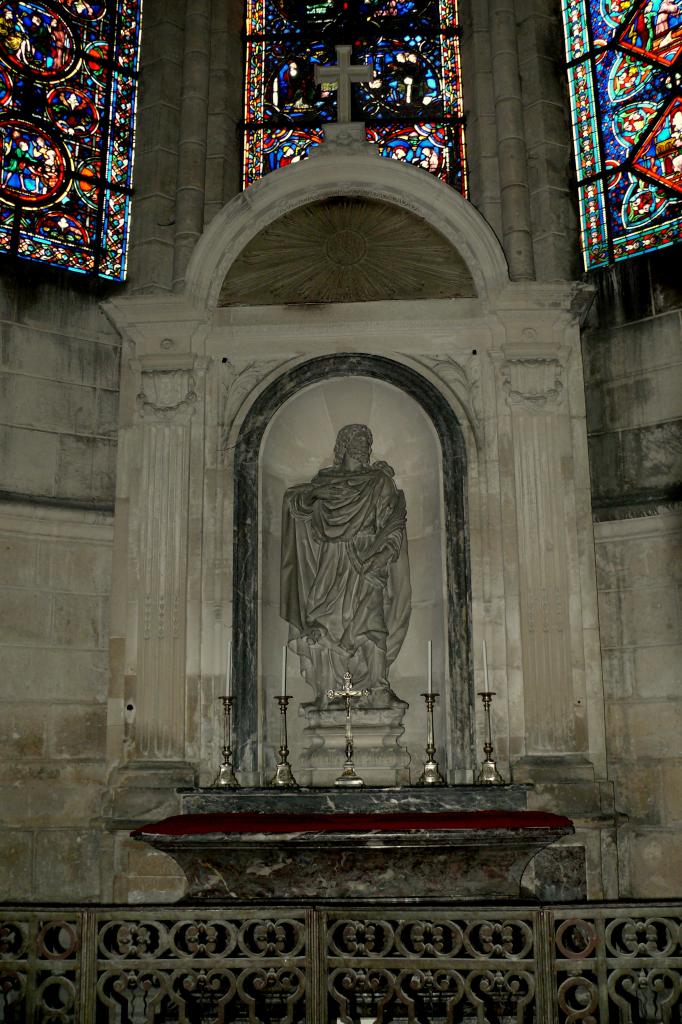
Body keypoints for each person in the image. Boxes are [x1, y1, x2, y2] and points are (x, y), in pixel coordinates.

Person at [280, 424, 411, 707]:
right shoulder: (325, 480)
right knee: (324, 620)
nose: (363, 444)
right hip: (332, 561)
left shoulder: (379, 481)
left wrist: (383, 556)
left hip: (367, 557)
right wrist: (309, 496)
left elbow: (393, 525)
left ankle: (378, 688)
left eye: (366, 440)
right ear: (343, 445)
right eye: (356, 439)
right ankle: (325, 692)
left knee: (373, 623)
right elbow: (299, 507)